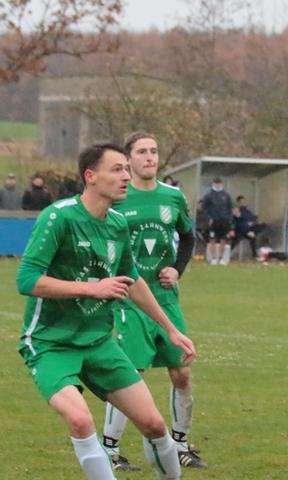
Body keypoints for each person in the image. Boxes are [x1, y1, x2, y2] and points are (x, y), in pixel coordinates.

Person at [15, 142, 196, 480]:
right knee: (81, 420)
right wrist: (91, 288)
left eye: (127, 169)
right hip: (50, 343)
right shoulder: (59, 217)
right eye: (117, 169)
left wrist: (170, 328)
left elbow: (133, 281)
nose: (126, 176)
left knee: (155, 425)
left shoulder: (116, 223)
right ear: (91, 176)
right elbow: (26, 280)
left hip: (98, 342)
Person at [98, 132, 206, 471]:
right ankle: (110, 451)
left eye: (154, 151)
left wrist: (177, 268)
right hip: (129, 298)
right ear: (128, 159)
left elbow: (188, 237)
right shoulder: (116, 196)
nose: (150, 157)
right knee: (131, 372)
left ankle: (180, 445)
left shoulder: (173, 197)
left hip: (165, 299)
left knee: (182, 371)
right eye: (142, 151)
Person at [201, 177, 233, 265]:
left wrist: (229, 219)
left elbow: (230, 208)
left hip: (224, 221)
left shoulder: (226, 195)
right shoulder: (208, 195)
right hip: (213, 221)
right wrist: (209, 218)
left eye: (219, 183)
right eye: (216, 183)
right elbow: (204, 209)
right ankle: (214, 258)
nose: (217, 185)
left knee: (223, 239)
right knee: (212, 239)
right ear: (213, 183)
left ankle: (222, 258)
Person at [231, 194, 266, 260]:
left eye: (244, 201)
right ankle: (250, 233)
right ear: (238, 203)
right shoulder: (236, 210)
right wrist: (248, 223)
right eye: (242, 202)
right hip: (240, 231)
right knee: (241, 234)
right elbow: (237, 220)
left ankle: (254, 255)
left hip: (248, 230)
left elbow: (253, 218)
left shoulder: (247, 211)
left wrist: (254, 221)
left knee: (263, 225)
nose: (244, 203)